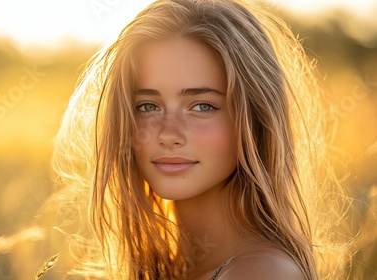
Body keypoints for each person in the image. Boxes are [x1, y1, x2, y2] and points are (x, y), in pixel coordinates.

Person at [48, 0, 351, 279]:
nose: (168, 134)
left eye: (202, 106)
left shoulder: (262, 273)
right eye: (148, 106)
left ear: (256, 119)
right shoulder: (185, 266)